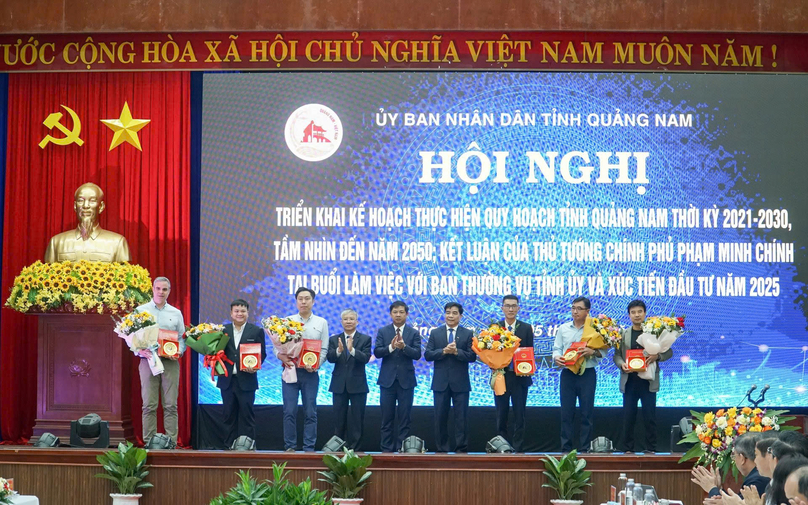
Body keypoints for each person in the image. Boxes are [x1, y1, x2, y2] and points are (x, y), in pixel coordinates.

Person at [613, 299, 673, 453]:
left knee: (649, 417)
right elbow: (617, 356)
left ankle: (651, 449)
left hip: (648, 381)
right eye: (633, 312)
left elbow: (669, 352)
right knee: (628, 416)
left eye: (640, 312)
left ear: (645, 313)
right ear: (629, 315)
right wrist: (622, 364)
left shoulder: (654, 331)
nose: (637, 315)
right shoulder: (623, 334)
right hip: (630, 380)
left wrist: (657, 357)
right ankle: (628, 449)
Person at [278, 287, 329, 452]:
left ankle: (309, 447)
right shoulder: (287, 321)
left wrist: (316, 365)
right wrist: (281, 357)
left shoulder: (321, 322)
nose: (304, 302)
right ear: (296, 301)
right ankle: (290, 447)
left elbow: (324, 349)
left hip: (310, 374)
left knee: (310, 411)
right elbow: (276, 346)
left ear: (313, 301)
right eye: (300, 299)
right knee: (289, 411)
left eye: (307, 299)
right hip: (290, 371)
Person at [135, 277, 185, 444]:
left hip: (170, 362)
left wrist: (178, 352)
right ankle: (149, 442)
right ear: (153, 289)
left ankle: (170, 442)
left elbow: (181, 338)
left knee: (171, 405)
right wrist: (138, 349)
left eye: (164, 289)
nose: (161, 292)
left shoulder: (176, 313)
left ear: (169, 291)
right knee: (149, 405)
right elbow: (132, 336)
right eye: (158, 288)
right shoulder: (141, 311)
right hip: (147, 361)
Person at [425, 302, 476, 453]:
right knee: (440, 418)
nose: (451, 316)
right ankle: (442, 449)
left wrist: (456, 352)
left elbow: (472, 356)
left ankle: (461, 448)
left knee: (461, 418)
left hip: (460, 383)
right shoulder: (436, 333)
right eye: (448, 312)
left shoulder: (467, 333)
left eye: (454, 313)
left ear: (460, 316)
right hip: (440, 383)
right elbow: (428, 354)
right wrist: (444, 351)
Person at [552, 296, 601, 452]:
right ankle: (566, 449)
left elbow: (604, 351)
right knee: (567, 413)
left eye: (579, 309)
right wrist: (556, 358)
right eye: (573, 308)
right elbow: (556, 349)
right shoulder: (563, 328)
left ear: (587, 311)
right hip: (568, 374)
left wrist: (592, 351)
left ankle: (585, 448)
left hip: (587, 374)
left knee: (586, 413)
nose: (575, 311)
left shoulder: (595, 329)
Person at [216, 299, 266, 448]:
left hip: (247, 380)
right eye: (236, 311)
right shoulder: (222, 331)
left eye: (243, 311)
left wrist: (255, 366)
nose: (240, 314)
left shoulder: (256, 331)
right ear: (231, 313)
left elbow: (262, 354)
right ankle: (228, 447)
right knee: (228, 416)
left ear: (248, 313)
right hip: (227, 380)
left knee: (247, 416)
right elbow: (216, 352)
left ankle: (248, 446)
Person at [374, 300, 422, 453]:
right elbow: (377, 352)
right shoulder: (383, 331)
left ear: (407, 314)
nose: (398, 315)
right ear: (390, 314)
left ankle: (402, 449)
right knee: (386, 419)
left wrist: (404, 347)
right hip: (387, 381)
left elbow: (417, 354)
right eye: (395, 312)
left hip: (406, 381)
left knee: (404, 419)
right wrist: (391, 347)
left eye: (401, 312)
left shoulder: (413, 333)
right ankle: (386, 450)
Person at [44, 182, 130, 263]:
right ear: (75, 206)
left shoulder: (117, 243)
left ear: (101, 207)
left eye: (92, 201)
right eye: (81, 201)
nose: (85, 206)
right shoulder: (57, 242)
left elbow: (124, 275)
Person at [494, 294, 534, 453]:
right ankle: (501, 446)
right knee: (501, 414)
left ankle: (518, 449)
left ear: (518, 308)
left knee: (519, 415)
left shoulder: (525, 328)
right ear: (502, 308)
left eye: (513, 306)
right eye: (507, 306)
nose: (510, 309)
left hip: (520, 379)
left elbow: (530, 351)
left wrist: (528, 368)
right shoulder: (495, 327)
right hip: (501, 377)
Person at [326, 309, 372, 450]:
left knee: (357, 420)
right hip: (339, 384)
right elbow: (330, 358)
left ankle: (356, 449)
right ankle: (338, 448)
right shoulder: (334, 339)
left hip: (358, 385)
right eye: (345, 319)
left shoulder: (365, 339)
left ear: (357, 322)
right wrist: (339, 351)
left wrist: (352, 350)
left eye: (351, 319)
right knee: (339, 420)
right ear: (341, 322)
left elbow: (365, 358)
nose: (348, 321)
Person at [691, 433, 769, 500]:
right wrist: (718, 489)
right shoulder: (757, 475)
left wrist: (711, 488)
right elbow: (737, 501)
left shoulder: (757, 479)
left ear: (742, 458)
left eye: (734, 456)